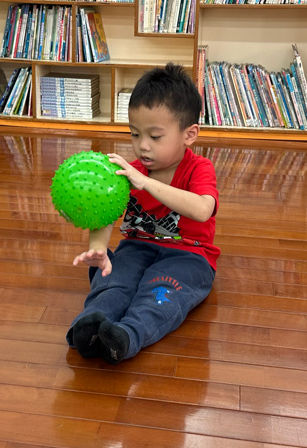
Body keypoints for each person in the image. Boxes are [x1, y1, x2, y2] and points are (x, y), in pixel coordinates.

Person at [68, 63, 219, 364]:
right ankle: (90, 325)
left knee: (160, 293)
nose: (142, 146)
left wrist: (146, 183)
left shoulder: (199, 168)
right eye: (135, 134)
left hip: (189, 256)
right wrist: (98, 248)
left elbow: (203, 209)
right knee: (114, 281)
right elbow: (106, 215)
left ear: (189, 134)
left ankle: (128, 335)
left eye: (155, 136)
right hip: (136, 248)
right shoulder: (130, 173)